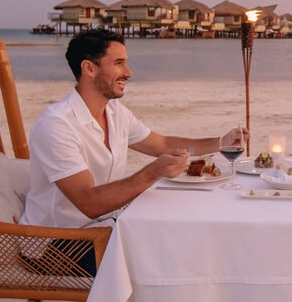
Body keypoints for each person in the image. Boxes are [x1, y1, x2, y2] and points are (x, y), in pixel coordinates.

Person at [20, 28, 246, 275]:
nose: (129, 73)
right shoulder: (57, 125)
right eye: (119, 63)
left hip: (104, 228)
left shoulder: (116, 112)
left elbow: (161, 144)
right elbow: (89, 203)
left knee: (183, 238)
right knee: (164, 263)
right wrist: (152, 173)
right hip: (57, 244)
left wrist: (221, 142)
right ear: (89, 69)